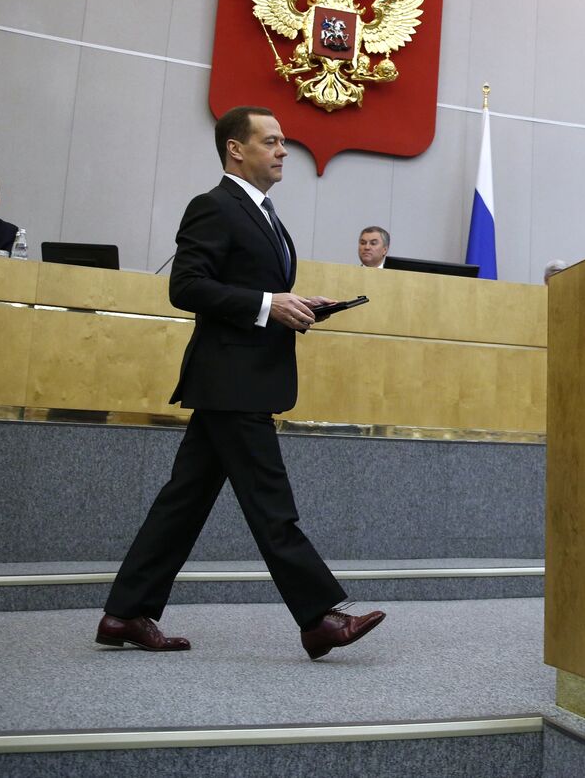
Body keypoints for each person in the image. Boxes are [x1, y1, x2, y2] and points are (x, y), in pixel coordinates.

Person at [96, 106, 385, 660]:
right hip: (232, 380)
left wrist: (296, 305)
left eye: (283, 142)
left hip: (239, 378)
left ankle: (125, 613)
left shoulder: (265, 213)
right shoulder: (214, 206)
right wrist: (266, 304)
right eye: (272, 141)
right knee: (270, 502)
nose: (283, 151)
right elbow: (186, 286)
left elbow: (255, 291)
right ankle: (319, 618)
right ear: (236, 149)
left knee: (182, 503)